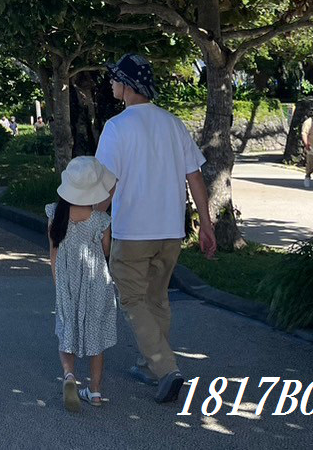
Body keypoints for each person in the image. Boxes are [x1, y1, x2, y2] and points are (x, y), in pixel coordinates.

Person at [93, 53, 217, 404]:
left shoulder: (117, 127)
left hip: (133, 231)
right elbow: (195, 176)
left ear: (128, 86)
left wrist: (94, 224)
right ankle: (151, 367)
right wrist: (206, 225)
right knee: (157, 298)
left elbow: (107, 184)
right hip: (170, 231)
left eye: (116, 78)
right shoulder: (173, 124)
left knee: (133, 300)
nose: (112, 83)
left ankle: (166, 370)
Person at [46, 157, 120, 411]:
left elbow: (53, 255)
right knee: (95, 337)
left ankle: (69, 377)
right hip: (96, 281)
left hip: (67, 281)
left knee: (67, 330)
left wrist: (59, 285)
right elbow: (106, 250)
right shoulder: (100, 219)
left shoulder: (55, 215)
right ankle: (96, 391)